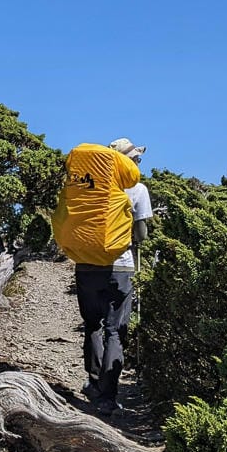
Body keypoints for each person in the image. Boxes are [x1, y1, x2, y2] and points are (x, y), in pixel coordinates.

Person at [77, 138, 153, 415]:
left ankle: (94, 383)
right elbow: (142, 235)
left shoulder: (88, 185)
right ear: (126, 161)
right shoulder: (137, 188)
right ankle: (108, 396)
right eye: (135, 158)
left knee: (92, 325)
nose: (138, 161)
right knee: (115, 331)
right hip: (119, 267)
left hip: (85, 264)